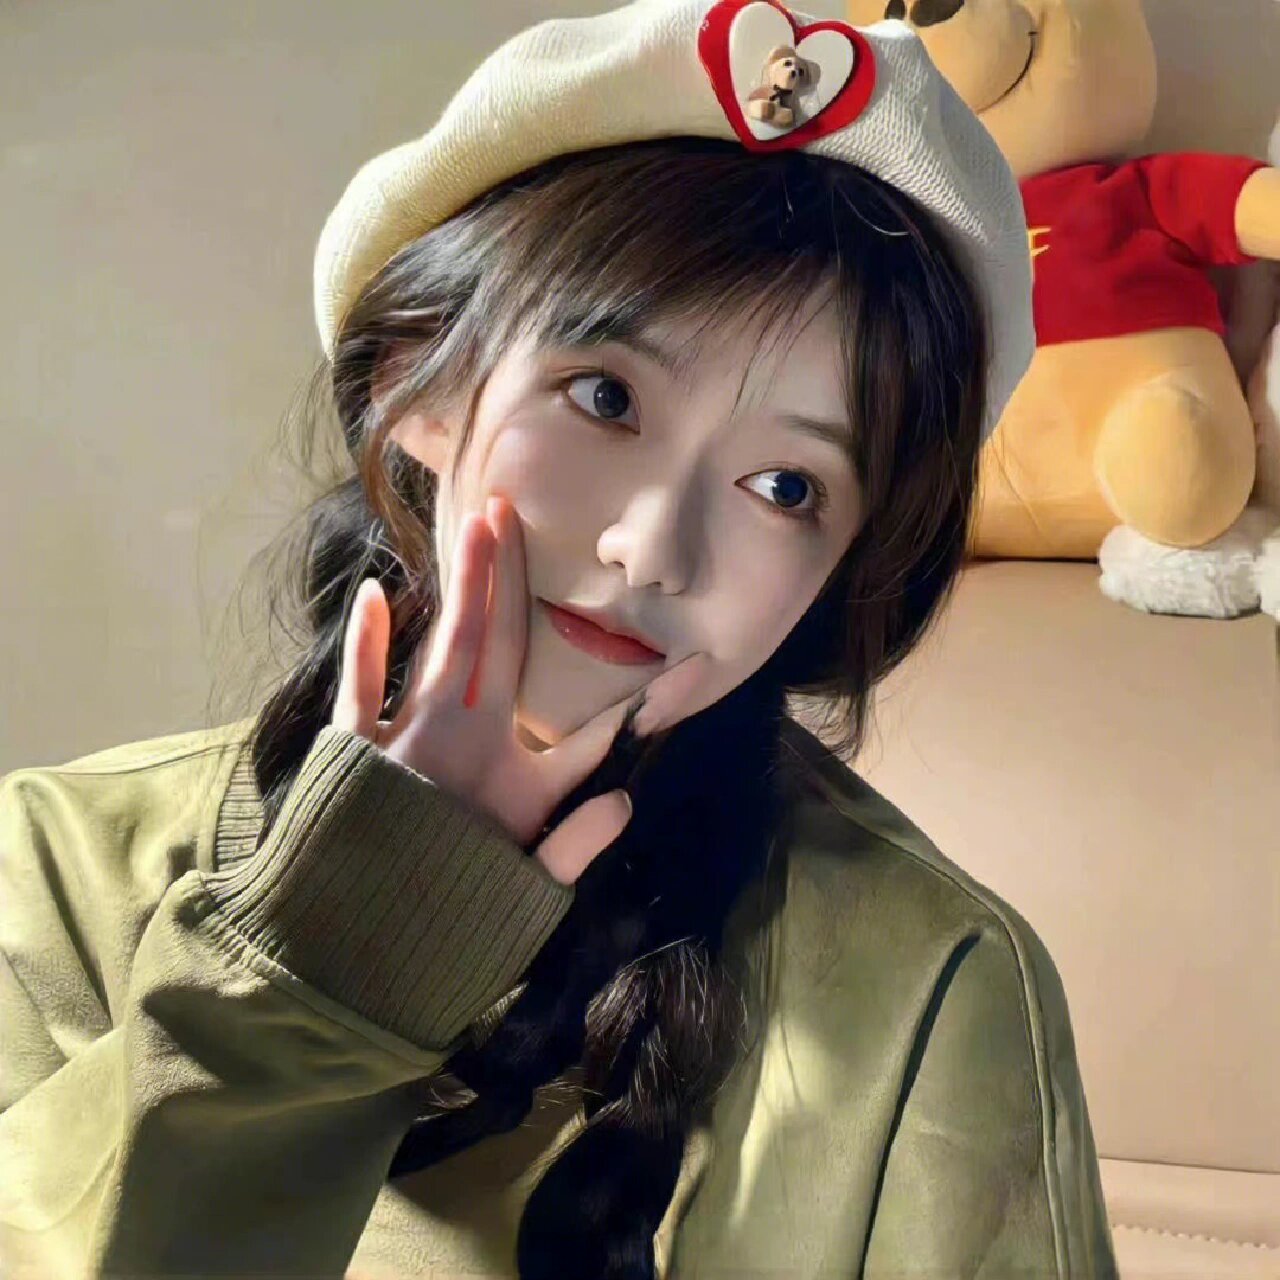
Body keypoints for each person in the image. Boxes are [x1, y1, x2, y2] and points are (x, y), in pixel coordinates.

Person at [0, 1, 1119, 1276]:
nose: (651, 545)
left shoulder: (935, 983)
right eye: (604, 396)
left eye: (786, 486)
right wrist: (341, 947)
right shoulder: (57, 875)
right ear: (416, 381)